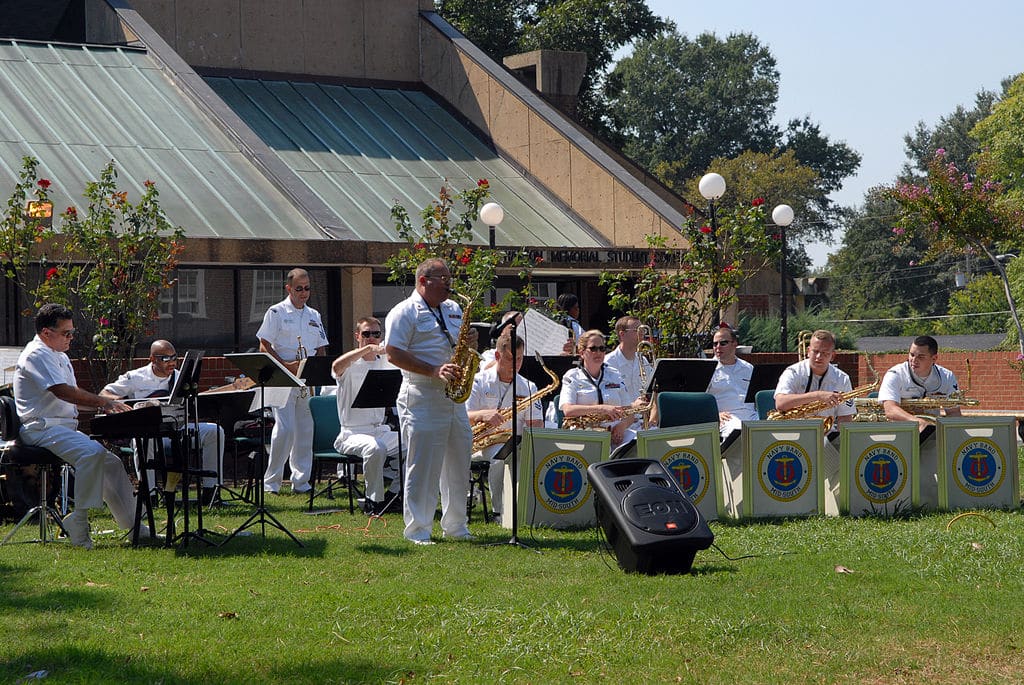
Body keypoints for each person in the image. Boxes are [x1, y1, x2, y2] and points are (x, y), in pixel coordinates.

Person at [13, 303, 141, 549]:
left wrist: (110, 407)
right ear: (46, 332)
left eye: (73, 332)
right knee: (91, 454)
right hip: (40, 428)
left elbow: (71, 403)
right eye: (66, 333)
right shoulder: (36, 354)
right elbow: (62, 392)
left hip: (60, 427)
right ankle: (79, 522)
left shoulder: (59, 355)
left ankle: (134, 526)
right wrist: (103, 402)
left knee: (111, 463)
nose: (71, 338)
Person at [384, 258, 476, 545]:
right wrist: (434, 370)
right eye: (443, 278)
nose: (450, 283)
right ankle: (418, 530)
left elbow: (454, 343)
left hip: (453, 396)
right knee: (423, 466)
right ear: (423, 281)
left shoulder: (452, 308)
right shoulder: (404, 311)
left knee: (459, 461)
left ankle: (456, 526)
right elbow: (393, 353)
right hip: (422, 392)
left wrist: (470, 342)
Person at [100, 340, 225, 505]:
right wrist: (122, 403)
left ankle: (212, 493)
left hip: (177, 429)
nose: (171, 362)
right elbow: (105, 393)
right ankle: (149, 494)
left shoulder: (181, 377)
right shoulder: (136, 377)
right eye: (165, 358)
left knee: (215, 431)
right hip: (149, 431)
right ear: (152, 359)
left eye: (174, 357)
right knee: (144, 440)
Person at [256, 268, 328, 495]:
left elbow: (321, 348)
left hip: (306, 379)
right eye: (299, 289)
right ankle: (272, 482)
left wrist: (316, 372)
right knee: (285, 429)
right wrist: (286, 367)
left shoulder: (314, 315)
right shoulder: (276, 312)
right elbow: (264, 345)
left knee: (306, 430)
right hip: (281, 378)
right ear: (289, 288)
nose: (304, 293)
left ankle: (301, 482)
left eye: (307, 288)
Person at [467, 330, 544, 518]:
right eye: (510, 359)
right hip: (483, 442)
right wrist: (483, 414)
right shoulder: (478, 381)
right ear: (497, 355)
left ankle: (527, 508)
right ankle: (500, 512)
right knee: (500, 458)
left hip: (517, 443)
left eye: (519, 359)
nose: (516, 365)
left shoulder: (529, 386)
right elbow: (462, 416)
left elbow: (536, 426)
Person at [330, 316, 400, 515]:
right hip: (351, 433)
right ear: (357, 336)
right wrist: (367, 349)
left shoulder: (385, 362)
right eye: (367, 334)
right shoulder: (351, 362)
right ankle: (373, 501)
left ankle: (395, 494)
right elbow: (336, 367)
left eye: (376, 335)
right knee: (375, 448)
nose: (372, 338)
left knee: (415, 442)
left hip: (379, 429)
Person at [560, 330, 646, 448]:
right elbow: (568, 410)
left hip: (614, 433)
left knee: (640, 444)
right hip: (584, 434)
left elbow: (628, 412)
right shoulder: (572, 376)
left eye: (602, 349)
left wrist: (621, 427)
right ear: (582, 352)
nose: (598, 352)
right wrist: (602, 409)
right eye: (593, 348)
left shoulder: (614, 375)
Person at [774, 329, 855, 433]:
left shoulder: (842, 378)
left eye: (825, 353)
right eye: (815, 351)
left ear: (832, 356)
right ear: (808, 351)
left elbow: (845, 417)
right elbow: (780, 403)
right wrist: (817, 395)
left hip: (826, 435)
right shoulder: (793, 372)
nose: (819, 357)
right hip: (793, 433)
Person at [877, 335, 961, 432]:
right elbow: (890, 410)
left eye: (921, 357)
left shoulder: (947, 377)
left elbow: (954, 412)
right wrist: (919, 423)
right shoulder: (895, 374)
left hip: (933, 433)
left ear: (934, 358)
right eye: (912, 355)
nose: (914, 360)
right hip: (900, 432)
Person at [706, 323, 757, 441]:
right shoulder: (707, 369)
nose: (718, 347)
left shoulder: (748, 368)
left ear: (734, 344)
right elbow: (699, 400)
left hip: (752, 415)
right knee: (739, 433)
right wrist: (715, 414)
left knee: (774, 427)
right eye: (714, 344)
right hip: (727, 417)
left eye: (723, 343)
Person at [604, 315, 654, 404]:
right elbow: (607, 399)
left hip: (643, 416)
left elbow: (652, 390)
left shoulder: (643, 360)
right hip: (621, 416)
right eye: (637, 330)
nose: (642, 333)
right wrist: (632, 407)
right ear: (622, 334)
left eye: (642, 330)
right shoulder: (607, 363)